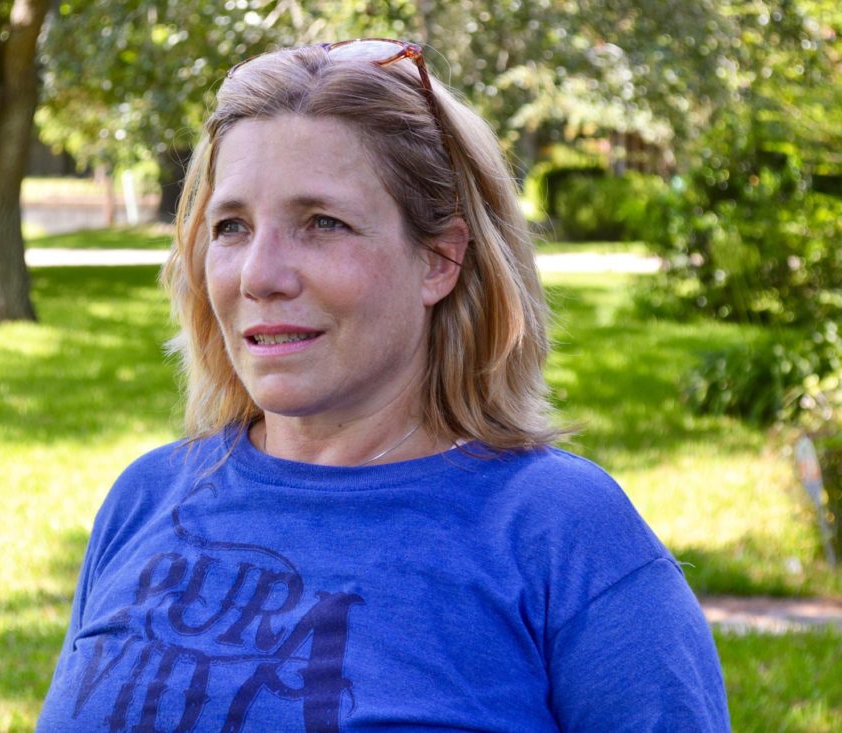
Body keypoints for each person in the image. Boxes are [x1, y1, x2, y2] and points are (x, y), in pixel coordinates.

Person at [37, 39, 730, 732]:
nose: (259, 274)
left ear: (439, 259)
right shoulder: (146, 497)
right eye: (232, 226)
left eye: (323, 223)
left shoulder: (563, 533)